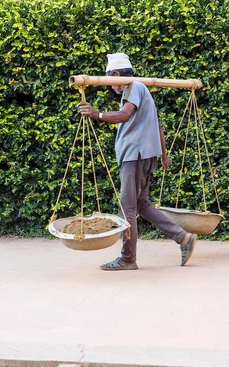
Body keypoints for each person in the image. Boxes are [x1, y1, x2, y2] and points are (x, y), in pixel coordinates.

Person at [77, 53, 197, 271]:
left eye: (109, 80)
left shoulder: (135, 87)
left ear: (115, 75)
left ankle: (127, 258)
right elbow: (157, 125)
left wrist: (97, 114)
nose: (111, 86)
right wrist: (163, 153)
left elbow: (125, 114)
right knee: (142, 205)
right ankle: (183, 238)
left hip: (135, 156)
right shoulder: (140, 90)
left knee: (127, 209)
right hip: (142, 156)